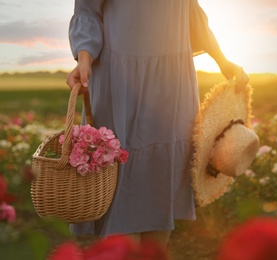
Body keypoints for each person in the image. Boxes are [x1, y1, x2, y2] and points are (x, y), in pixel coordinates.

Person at [65, 0, 249, 246]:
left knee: (161, 181)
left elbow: (190, 11)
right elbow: (87, 10)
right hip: (117, 75)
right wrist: (84, 59)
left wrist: (222, 60)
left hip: (171, 77)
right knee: (117, 176)